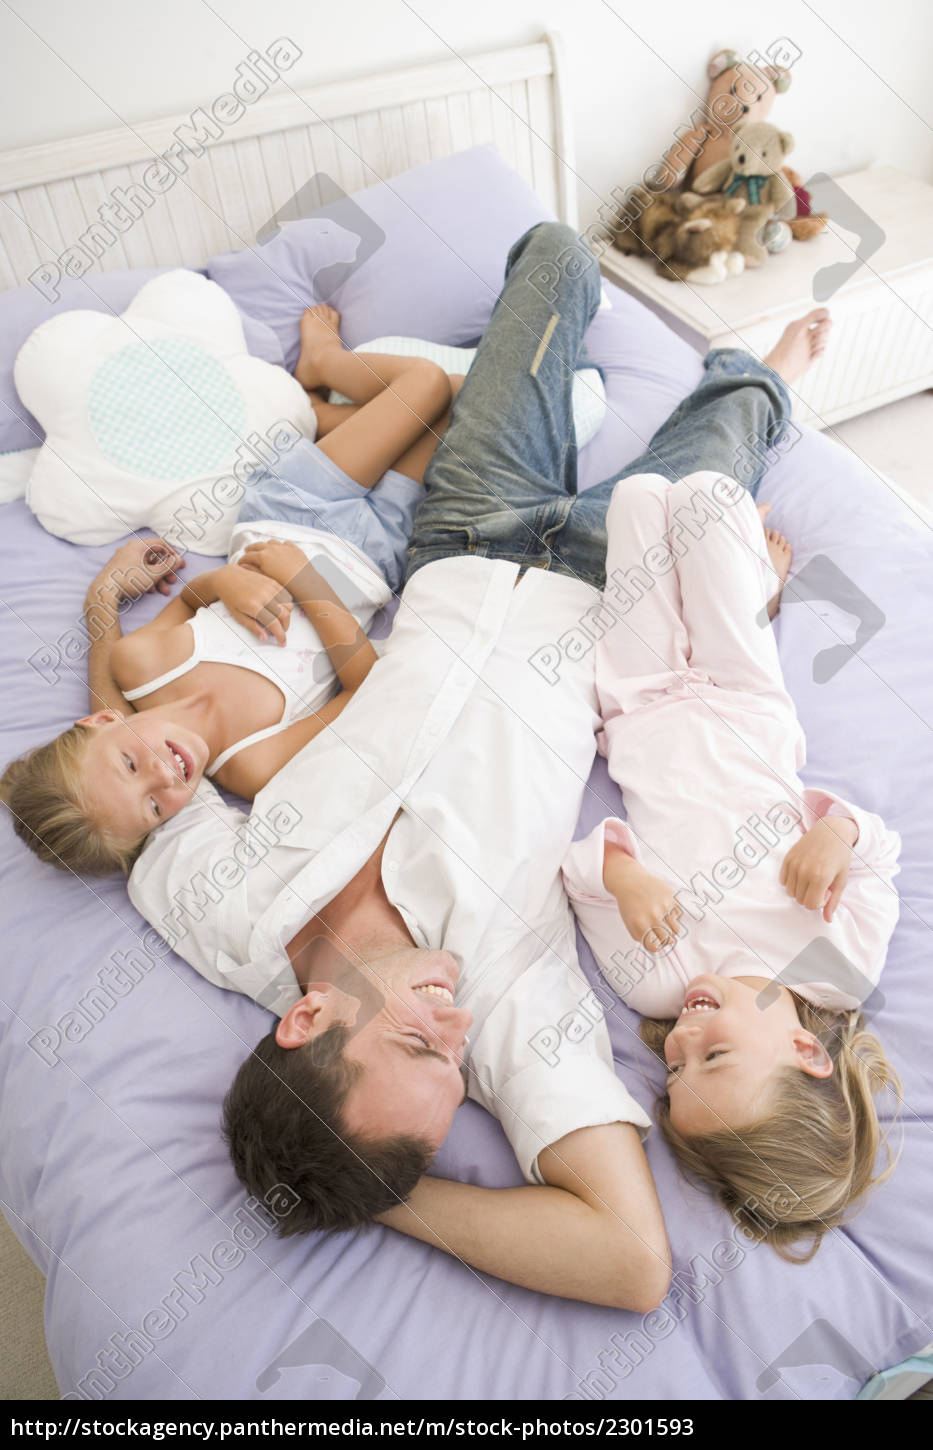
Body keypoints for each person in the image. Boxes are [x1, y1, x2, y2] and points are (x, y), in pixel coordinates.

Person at [126, 220, 838, 1306]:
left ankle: (371, 379)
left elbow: (113, 775)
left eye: (418, 1040)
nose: (451, 1027)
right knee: (734, 419)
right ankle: (765, 376)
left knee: (558, 254)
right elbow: (633, 1264)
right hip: (614, 588)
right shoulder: (501, 998)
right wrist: (366, 1187)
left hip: (462, 536)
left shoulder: (213, 908)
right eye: (453, 1072)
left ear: (305, 1020)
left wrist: (117, 613)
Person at [561, 468, 902, 1261]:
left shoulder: (657, 979)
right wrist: (837, 836)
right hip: (746, 697)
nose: (681, 1038)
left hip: (639, 703)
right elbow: (880, 853)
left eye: (675, 1072)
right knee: (710, 494)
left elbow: (579, 872)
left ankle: (754, 582)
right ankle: (759, 589)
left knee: (641, 498)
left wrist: (623, 875)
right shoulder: (839, 965)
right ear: (806, 1052)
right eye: (712, 1053)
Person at [1, 312, 465, 874]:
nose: (164, 776)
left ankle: (321, 363)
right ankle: (327, 415)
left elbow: (198, 596)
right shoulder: (250, 765)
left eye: (129, 765)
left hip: (297, 512)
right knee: (455, 406)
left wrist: (228, 580)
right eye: (153, 808)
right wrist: (307, 585)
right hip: (375, 561)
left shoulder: (141, 661)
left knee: (429, 383)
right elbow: (366, 689)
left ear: (101, 721)